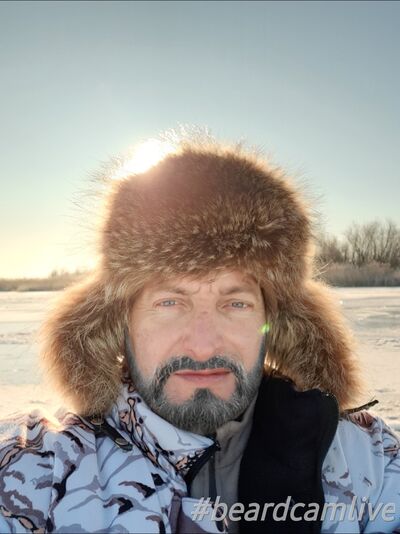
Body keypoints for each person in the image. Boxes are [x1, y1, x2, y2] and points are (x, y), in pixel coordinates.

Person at [0, 136, 399, 534]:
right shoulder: (37, 471)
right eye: (170, 302)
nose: (204, 346)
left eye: (236, 303)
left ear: (275, 322)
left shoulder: (369, 458)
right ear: (119, 321)